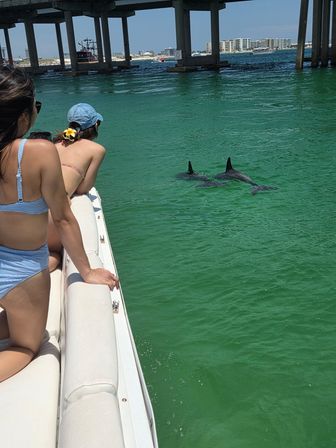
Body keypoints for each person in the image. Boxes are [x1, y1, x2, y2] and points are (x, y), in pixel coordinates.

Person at [0, 66, 119, 382]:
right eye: (35, 106)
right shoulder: (37, 152)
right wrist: (87, 270)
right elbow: (64, 217)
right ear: (24, 117)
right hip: (22, 274)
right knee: (26, 346)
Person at [48, 103, 106, 271]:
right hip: (52, 216)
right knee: (54, 255)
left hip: (27, 210)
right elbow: (83, 189)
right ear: (95, 125)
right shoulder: (97, 149)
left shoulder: (53, 145)